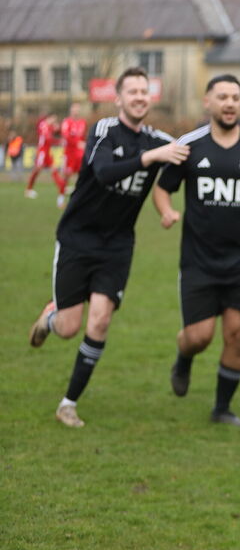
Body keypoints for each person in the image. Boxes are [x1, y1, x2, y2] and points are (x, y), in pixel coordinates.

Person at [28, 66, 189, 428]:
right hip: (78, 238)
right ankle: (51, 317)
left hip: (117, 245)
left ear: (150, 97)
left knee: (100, 320)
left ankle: (68, 403)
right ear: (118, 99)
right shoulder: (104, 130)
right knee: (69, 327)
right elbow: (103, 172)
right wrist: (151, 158)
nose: (138, 97)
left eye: (144, 91)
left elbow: (197, 144)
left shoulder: (158, 138)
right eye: (131, 91)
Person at [152, 74, 240, 426]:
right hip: (199, 261)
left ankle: (221, 409)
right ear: (208, 102)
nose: (230, 103)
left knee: (237, 334)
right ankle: (184, 357)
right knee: (199, 337)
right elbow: (162, 188)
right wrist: (167, 211)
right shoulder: (190, 145)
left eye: (235, 97)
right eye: (223, 97)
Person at [26, 111, 64, 200]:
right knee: (37, 169)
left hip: (47, 152)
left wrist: (58, 129)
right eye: (54, 119)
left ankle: (61, 187)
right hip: (42, 151)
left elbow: (58, 131)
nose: (55, 121)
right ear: (49, 118)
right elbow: (48, 138)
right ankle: (29, 189)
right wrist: (59, 141)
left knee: (54, 169)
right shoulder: (43, 125)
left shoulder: (49, 126)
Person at [61, 102, 89, 204]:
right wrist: (77, 143)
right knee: (66, 175)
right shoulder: (66, 122)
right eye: (74, 109)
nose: (76, 111)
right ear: (71, 110)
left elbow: (83, 137)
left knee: (81, 175)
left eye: (78, 109)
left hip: (80, 154)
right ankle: (61, 197)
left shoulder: (82, 122)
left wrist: (84, 145)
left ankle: (78, 198)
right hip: (69, 153)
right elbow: (66, 136)